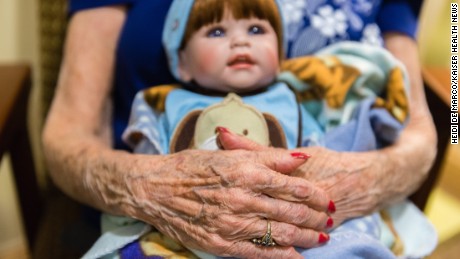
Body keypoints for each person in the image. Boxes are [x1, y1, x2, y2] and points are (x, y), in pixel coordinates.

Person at [42, 0, 437, 258]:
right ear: (182, 61)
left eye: (256, 31)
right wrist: (155, 185)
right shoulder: (167, 102)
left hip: (318, 225)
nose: (239, 43)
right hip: (164, 218)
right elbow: (71, 130)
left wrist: (343, 179)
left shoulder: (300, 97)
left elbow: (419, 129)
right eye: (216, 32)